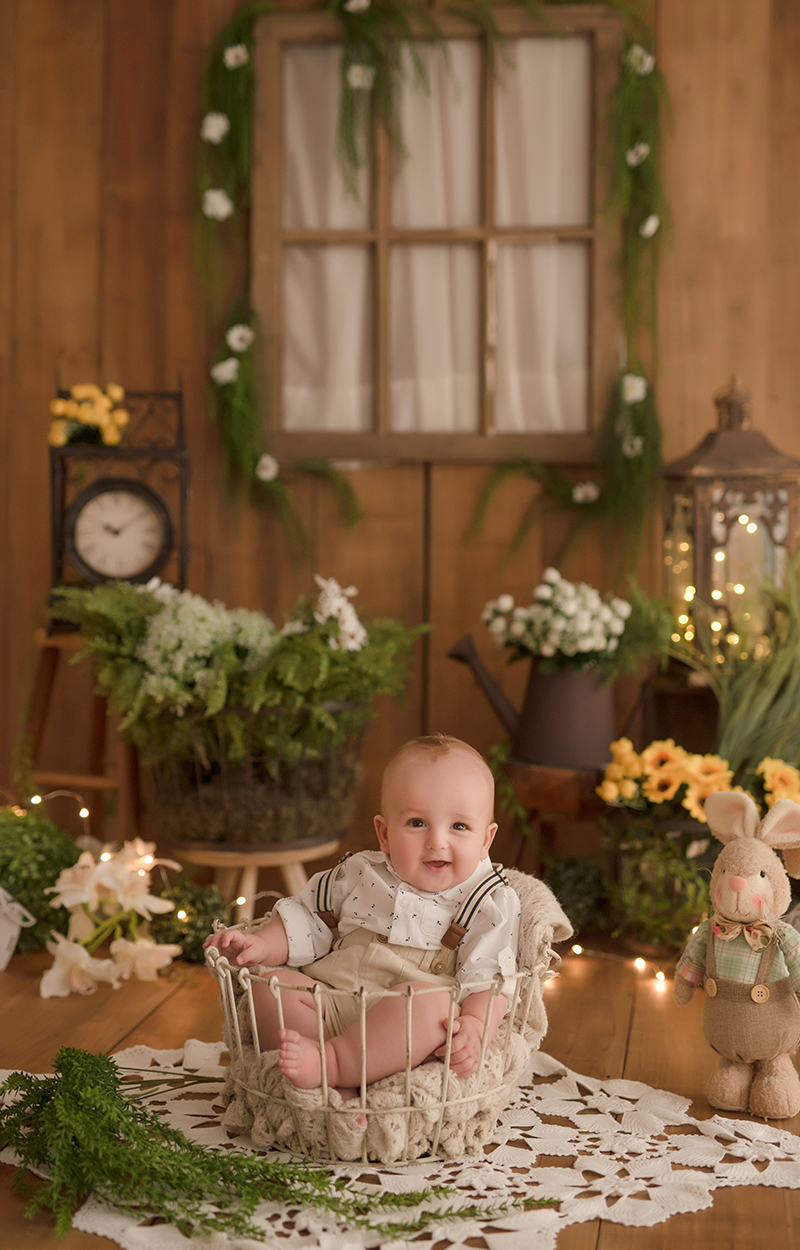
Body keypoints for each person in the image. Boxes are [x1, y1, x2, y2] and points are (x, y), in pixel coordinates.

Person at [204, 734, 521, 1098]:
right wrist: (261, 944)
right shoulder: (358, 873)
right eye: (417, 823)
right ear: (384, 833)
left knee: (435, 1007)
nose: (437, 841)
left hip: (403, 1021)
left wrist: (476, 1028)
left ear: (486, 840)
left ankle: (336, 1068)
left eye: (459, 827)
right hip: (334, 1002)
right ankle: (330, 1070)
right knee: (269, 988)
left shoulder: (489, 900)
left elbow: (489, 979)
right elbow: (306, 920)